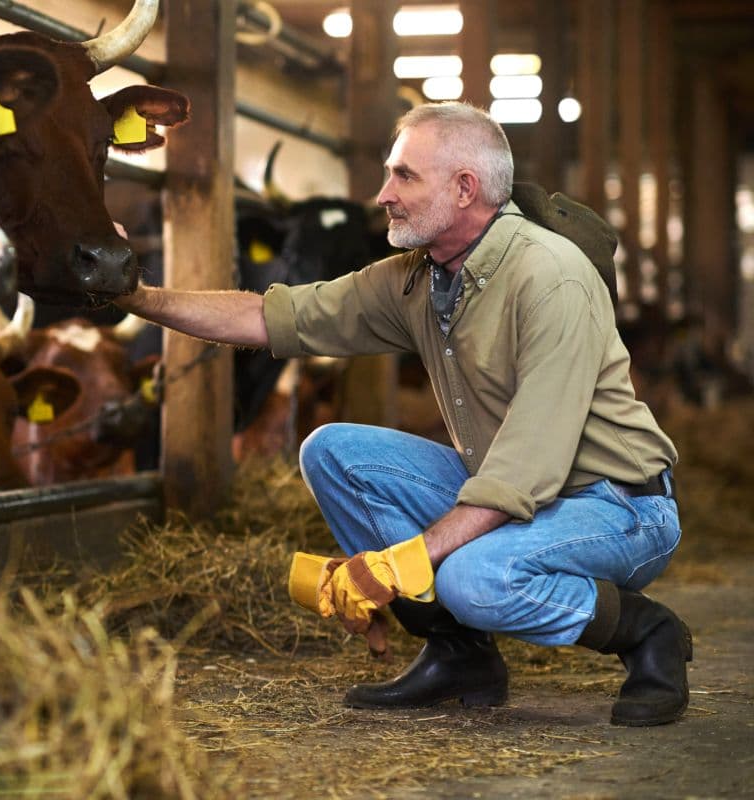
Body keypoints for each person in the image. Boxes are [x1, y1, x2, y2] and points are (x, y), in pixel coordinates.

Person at [113, 101, 689, 727]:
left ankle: (646, 632)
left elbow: (524, 469)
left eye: (404, 176)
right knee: (333, 453)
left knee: (473, 578)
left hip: (618, 505)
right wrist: (136, 295)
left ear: (464, 188)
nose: (383, 194)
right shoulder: (419, 278)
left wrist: (398, 565)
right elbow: (269, 317)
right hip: (517, 489)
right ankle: (460, 654)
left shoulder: (551, 277)